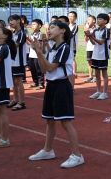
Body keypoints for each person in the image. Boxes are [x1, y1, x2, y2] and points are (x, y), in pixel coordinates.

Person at [28, 21, 84, 169]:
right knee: (49, 120)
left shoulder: (64, 48)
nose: (49, 29)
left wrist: (39, 53)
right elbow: (44, 68)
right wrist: (40, 52)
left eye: (52, 27)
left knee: (65, 122)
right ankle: (48, 150)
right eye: (49, 27)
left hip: (61, 86)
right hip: (51, 85)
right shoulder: (53, 47)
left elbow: (50, 68)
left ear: (62, 31)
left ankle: (77, 155)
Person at [86, 13, 110, 100]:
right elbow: (93, 43)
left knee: (104, 74)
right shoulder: (95, 31)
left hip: (103, 55)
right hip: (95, 54)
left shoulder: (107, 31)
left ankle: (105, 92)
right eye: (98, 19)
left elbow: (101, 42)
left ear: (105, 21)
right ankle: (98, 91)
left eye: (100, 19)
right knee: (97, 74)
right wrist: (89, 37)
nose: (98, 20)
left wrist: (91, 36)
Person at [7, 15, 26, 111]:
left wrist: (6, 39)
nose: (10, 22)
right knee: (13, 81)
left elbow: (16, 45)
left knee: (18, 81)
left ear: (18, 21)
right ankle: (15, 99)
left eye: (12, 20)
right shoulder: (13, 33)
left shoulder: (21, 33)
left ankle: (21, 102)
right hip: (12, 61)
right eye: (9, 21)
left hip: (19, 61)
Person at [27, 19, 45, 90]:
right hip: (31, 54)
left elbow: (41, 44)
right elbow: (30, 44)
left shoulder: (41, 34)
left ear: (40, 26)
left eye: (34, 24)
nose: (32, 26)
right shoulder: (31, 34)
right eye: (32, 24)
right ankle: (35, 82)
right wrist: (28, 40)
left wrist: (31, 42)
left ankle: (41, 83)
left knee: (39, 69)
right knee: (32, 69)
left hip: (38, 55)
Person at [83, 15, 97, 83]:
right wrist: (86, 32)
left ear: (94, 20)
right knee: (89, 62)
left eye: (89, 19)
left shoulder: (96, 29)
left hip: (95, 48)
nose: (87, 21)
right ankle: (90, 76)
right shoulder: (87, 28)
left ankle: (95, 76)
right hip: (89, 47)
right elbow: (86, 39)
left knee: (95, 62)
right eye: (87, 19)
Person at [68, 11, 79, 77]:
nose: (70, 17)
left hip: (73, 45)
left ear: (75, 18)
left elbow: (71, 34)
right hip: (67, 44)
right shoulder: (66, 25)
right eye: (69, 16)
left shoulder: (75, 26)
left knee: (72, 58)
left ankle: (74, 72)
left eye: (72, 16)